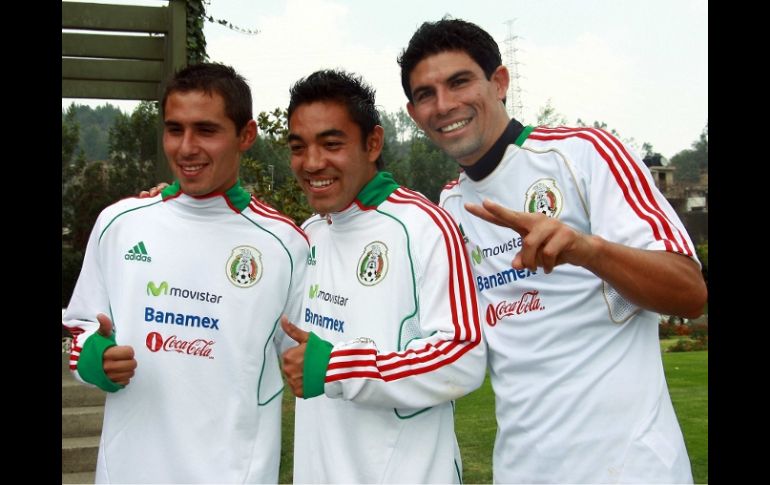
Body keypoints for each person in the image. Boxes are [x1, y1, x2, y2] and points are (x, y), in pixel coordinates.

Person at [398, 18, 707, 484]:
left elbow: (689, 292)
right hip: (522, 470)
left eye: (459, 81)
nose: (444, 105)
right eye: (426, 94)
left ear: (499, 82)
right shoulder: (451, 207)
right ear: (414, 112)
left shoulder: (584, 155)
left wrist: (588, 250)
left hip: (632, 470)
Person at [62, 63, 308, 483]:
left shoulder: (285, 244)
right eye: (175, 129)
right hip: (127, 471)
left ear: (246, 135)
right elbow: (80, 325)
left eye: (206, 130)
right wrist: (91, 356)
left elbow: (309, 358)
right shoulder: (119, 223)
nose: (186, 147)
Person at [279, 69, 486, 483]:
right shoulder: (307, 236)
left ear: (373, 143)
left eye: (331, 144)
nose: (312, 163)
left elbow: (464, 356)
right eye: (299, 147)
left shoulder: (424, 226)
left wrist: (339, 367)